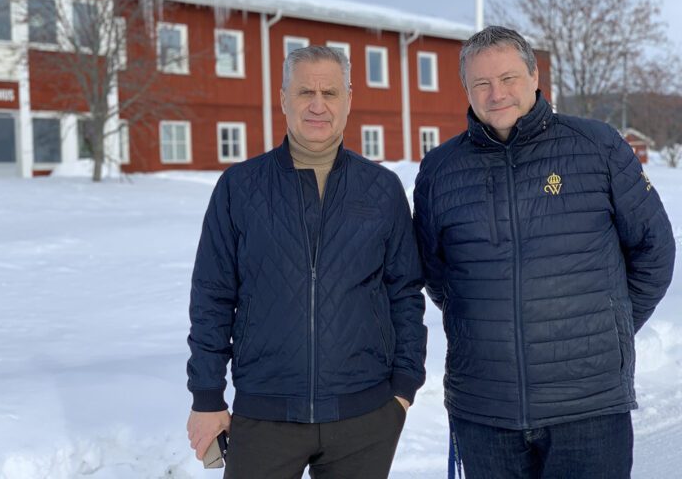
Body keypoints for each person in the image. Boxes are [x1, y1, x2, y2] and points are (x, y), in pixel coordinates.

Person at [413, 25, 675, 478]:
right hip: (485, 410)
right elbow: (438, 274)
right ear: (467, 90)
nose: (497, 94)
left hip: (588, 407)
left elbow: (655, 250)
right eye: (482, 83)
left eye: (509, 78)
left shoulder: (597, 147)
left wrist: (609, 325)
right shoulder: (440, 169)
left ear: (535, 76)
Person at [186, 45, 428, 479]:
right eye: (305, 92)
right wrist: (207, 396)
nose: (318, 104)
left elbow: (405, 293)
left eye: (330, 93)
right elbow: (212, 297)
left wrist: (403, 390)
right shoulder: (239, 187)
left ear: (349, 99)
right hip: (265, 414)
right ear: (283, 98)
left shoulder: (381, 188)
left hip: (365, 416)